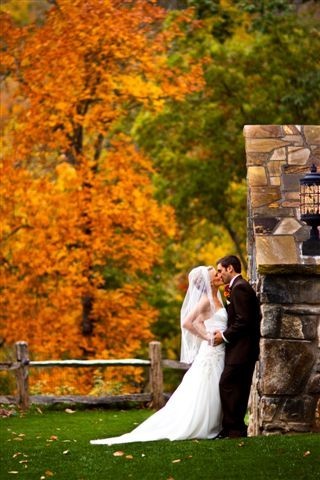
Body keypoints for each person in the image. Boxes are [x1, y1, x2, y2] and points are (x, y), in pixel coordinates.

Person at [90, 265, 227, 445]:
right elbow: (187, 322)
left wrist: (211, 332)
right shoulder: (205, 300)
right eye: (215, 274)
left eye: (218, 273)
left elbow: (202, 321)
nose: (218, 275)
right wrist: (207, 337)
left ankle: (217, 423)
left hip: (219, 351)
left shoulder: (217, 297)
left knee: (215, 386)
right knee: (207, 386)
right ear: (209, 282)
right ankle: (205, 425)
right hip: (211, 351)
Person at [214, 255, 261, 439]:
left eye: (220, 270)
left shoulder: (240, 288)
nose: (219, 274)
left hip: (243, 349)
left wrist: (224, 336)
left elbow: (244, 321)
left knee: (227, 384)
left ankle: (233, 428)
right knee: (237, 387)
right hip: (241, 349)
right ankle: (234, 429)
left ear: (230, 268)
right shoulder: (237, 287)